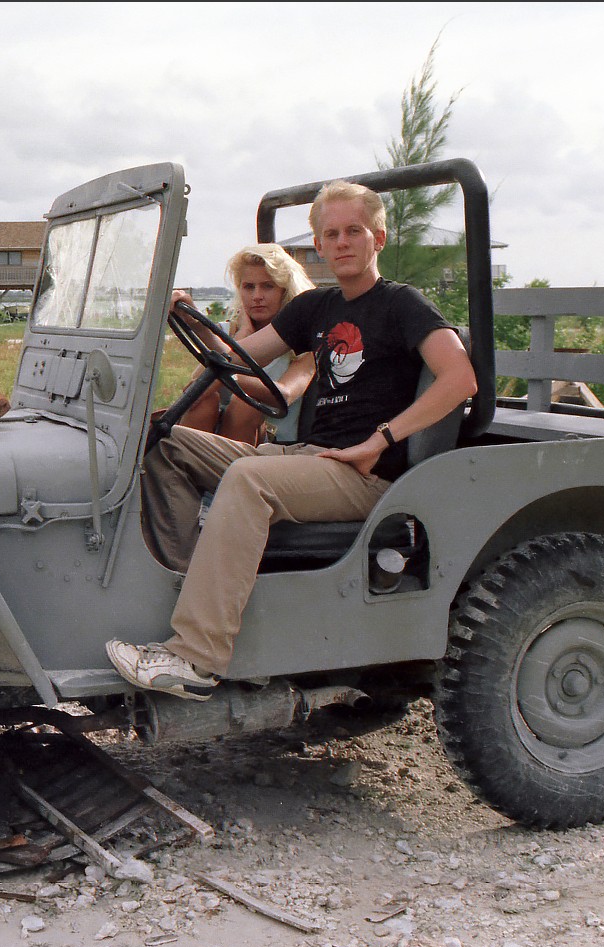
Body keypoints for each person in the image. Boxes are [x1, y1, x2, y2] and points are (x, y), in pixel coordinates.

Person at [109, 180, 478, 701]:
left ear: (379, 238)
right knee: (166, 445)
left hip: (364, 471)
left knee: (248, 478)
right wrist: (181, 314)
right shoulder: (318, 309)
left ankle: (195, 657)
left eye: (354, 231)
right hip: (306, 460)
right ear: (319, 245)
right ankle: (190, 594)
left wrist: (381, 439)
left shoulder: (401, 305)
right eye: (331, 233)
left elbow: (460, 380)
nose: (343, 242)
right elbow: (238, 356)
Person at [177, 244, 313, 446]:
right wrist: (242, 335)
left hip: (273, 445)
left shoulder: (304, 345)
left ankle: (225, 471)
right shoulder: (225, 332)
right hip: (214, 433)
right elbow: (193, 389)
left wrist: (229, 374)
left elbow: (284, 395)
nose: (257, 296)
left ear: (285, 291)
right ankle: (180, 470)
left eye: (268, 286)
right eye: (249, 287)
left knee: (246, 403)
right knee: (204, 402)